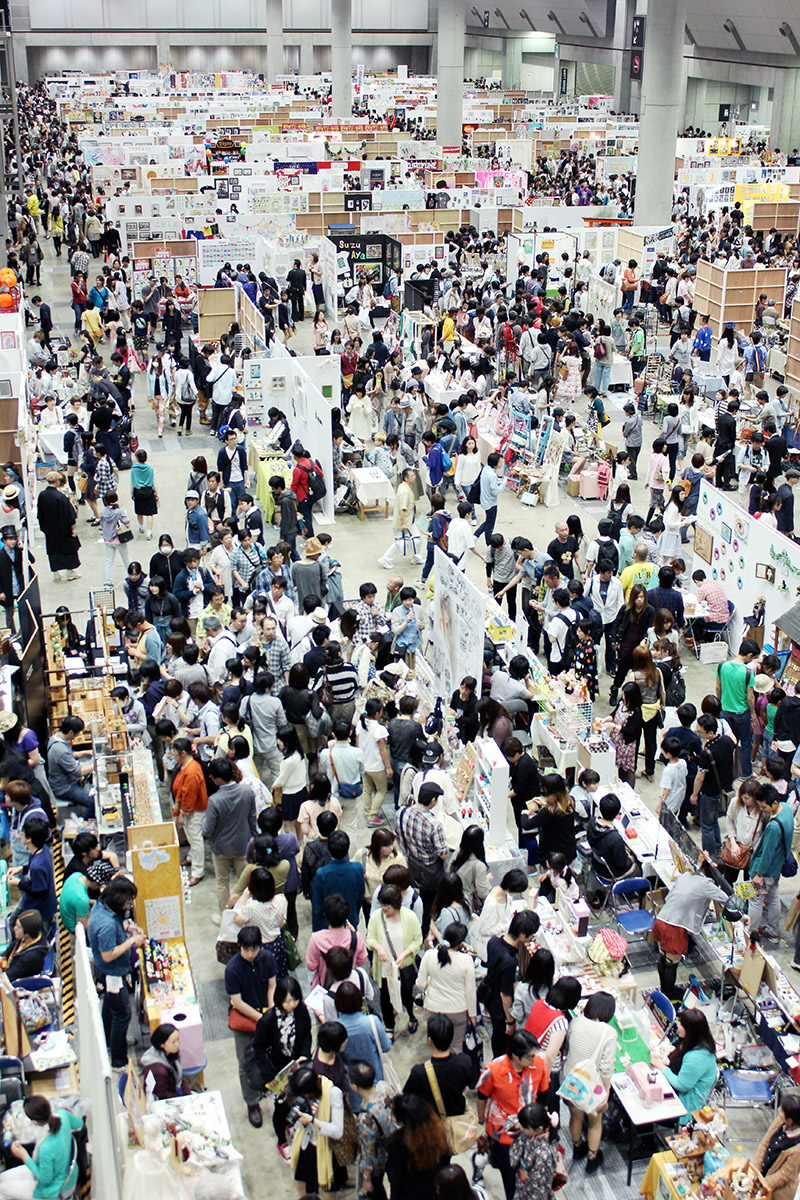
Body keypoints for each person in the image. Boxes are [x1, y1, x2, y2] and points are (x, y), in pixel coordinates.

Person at [477, 1030, 550, 1200]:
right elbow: (482, 1096)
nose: (534, 1059)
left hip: (530, 1130)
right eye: (530, 1056)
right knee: (510, 1178)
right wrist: (481, 1118)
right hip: (503, 1133)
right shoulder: (493, 1070)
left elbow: (544, 1093)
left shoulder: (538, 1065)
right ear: (516, 1056)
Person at [87, 877, 144, 1069]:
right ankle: (118, 1061)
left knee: (110, 1009)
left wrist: (128, 927)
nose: (128, 905)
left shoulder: (103, 905)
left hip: (109, 972)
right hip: (111, 973)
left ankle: (109, 1041)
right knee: (122, 1014)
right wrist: (131, 942)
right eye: (127, 901)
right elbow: (108, 955)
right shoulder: (106, 925)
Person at [224, 924, 277, 1127]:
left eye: (253, 949)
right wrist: (261, 1018)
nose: (249, 953)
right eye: (245, 949)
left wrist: (271, 1009)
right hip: (245, 1021)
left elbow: (272, 986)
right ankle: (252, 1102)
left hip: (265, 1014)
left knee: (270, 1055)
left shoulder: (267, 958)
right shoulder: (233, 969)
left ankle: (268, 1088)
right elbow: (237, 1002)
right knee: (245, 1062)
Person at [252, 977, 312, 1151]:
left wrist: (304, 1055)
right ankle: (281, 1140)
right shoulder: (269, 1019)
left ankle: (292, 1124)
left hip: (297, 1066)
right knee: (280, 1106)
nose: (291, 1004)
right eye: (286, 1001)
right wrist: (269, 1076)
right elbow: (259, 1047)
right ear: (279, 999)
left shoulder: (301, 1011)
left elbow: (307, 1033)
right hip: (278, 1070)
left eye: (294, 999)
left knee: (299, 1100)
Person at [366, 881, 423, 1038]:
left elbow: (417, 939)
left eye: (387, 907)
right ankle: (389, 1027)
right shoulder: (377, 917)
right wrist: (378, 947)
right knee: (385, 997)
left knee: (406, 993)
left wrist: (405, 954)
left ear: (396, 904)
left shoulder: (409, 917)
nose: (384, 909)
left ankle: (412, 1017)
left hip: (403, 966)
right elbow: (369, 938)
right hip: (384, 967)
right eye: (382, 905)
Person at [204, 757, 258, 921]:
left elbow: (208, 830)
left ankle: (224, 915)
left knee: (222, 882)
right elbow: (252, 819)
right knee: (246, 883)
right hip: (243, 844)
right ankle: (246, 913)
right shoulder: (247, 792)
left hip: (221, 848)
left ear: (217, 778)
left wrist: (202, 824)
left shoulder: (215, 801)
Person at [0, 1095, 83, 1200]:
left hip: (54, 1189)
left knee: (2, 1190)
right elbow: (79, 1124)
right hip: (65, 1172)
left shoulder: (46, 1148)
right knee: (2, 1178)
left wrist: (24, 1156)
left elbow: (45, 1179)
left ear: (34, 1122)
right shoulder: (63, 1115)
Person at [485, 910, 540, 1058]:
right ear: (522, 934)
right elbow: (505, 995)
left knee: (497, 1039)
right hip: (499, 1008)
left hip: (490, 997)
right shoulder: (509, 962)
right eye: (531, 936)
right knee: (503, 1046)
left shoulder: (494, 941)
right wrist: (510, 1021)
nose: (531, 939)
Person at [286, 1062, 345, 1198]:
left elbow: (337, 1131)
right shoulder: (301, 1092)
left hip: (327, 1147)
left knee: (327, 1191)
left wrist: (313, 1121)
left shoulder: (333, 1093)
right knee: (301, 1182)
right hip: (307, 1142)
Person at [650, 1008, 718, 1124]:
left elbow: (681, 1085)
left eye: (681, 1024)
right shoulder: (688, 1041)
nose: (678, 1025)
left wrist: (662, 1067)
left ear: (690, 1031)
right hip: (676, 1085)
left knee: (647, 1101)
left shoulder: (697, 1057)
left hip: (683, 1107)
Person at [749, 784, 795, 943]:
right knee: (774, 896)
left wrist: (758, 874)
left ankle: (751, 933)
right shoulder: (786, 808)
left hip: (766, 871)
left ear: (774, 803)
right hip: (777, 867)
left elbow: (766, 854)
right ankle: (773, 929)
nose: (762, 810)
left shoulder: (774, 827)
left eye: (763, 807)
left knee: (755, 901)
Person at [385, 1093, 451, 1200]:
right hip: (434, 1189)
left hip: (409, 1193)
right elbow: (445, 1158)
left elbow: (396, 1179)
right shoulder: (437, 1131)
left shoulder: (396, 1143)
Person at [312, 830, 364, 931]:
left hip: (328, 923)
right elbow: (360, 897)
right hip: (350, 920)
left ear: (329, 849)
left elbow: (317, 906)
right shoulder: (358, 869)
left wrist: (315, 931)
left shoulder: (322, 873)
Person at [753, 1093, 800, 1200]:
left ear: (790, 1121)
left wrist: (762, 1184)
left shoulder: (797, 1148)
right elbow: (764, 1143)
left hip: (778, 1192)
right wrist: (756, 1171)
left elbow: (783, 1175)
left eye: (782, 1111)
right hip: (761, 1178)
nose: (779, 1110)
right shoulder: (781, 1121)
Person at [35, 471, 81, 582]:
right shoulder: (60, 497)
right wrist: (72, 528)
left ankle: (56, 574)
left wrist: (44, 528)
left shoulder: (42, 495)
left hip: (50, 530)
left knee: (53, 551)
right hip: (63, 529)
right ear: (57, 481)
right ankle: (70, 572)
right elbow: (69, 515)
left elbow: (40, 514)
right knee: (68, 550)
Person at [140, 1023, 189, 1100]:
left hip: (174, 1090)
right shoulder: (159, 1071)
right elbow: (163, 1096)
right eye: (173, 1042)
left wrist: (188, 1095)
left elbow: (180, 1079)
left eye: (178, 1040)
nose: (177, 1044)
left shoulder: (171, 1052)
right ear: (162, 1045)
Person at [1, 911, 47, 983]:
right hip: (8, 970)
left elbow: (9, 977)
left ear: (27, 934)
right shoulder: (25, 938)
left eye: (18, 927)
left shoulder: (32, 956)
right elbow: (8, 951)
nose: (14, 928)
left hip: (17, 984)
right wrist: (2, 958)